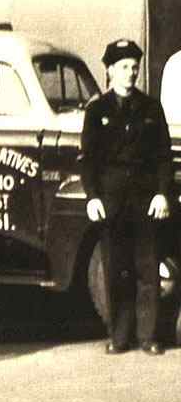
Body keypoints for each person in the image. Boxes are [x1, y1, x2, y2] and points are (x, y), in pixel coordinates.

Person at [80, 38, 173, 356]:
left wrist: (163, 194)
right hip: (111, 202)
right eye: (123, 68)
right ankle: (119, 337)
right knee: (116, 269)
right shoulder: (96, 111)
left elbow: (163, 157)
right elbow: (88, 160)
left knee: (147, 269)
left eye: (134, 67)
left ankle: (148, 336)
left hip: (145, 200)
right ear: (109, 71)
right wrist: (92, 197)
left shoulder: (150, 108)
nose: (130, 73)